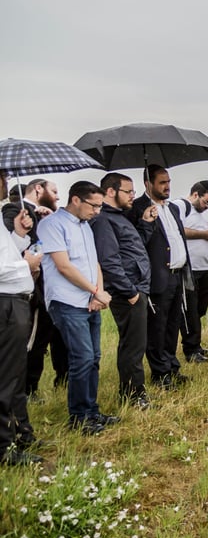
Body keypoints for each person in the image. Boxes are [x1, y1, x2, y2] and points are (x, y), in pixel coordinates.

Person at [38, 181, 119, 434]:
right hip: (67, 301)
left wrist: (99, 292)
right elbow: (64, 266)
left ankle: (92, 411)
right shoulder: (52, 225)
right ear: (75, 200)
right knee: (81, 357)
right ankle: (79, 417)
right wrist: (94, 291)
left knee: (94, 357)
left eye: (100, 206)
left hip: (90, 300)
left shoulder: (86, 227)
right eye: (93, 205)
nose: (97, 211)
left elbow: (94, 263)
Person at [2, 178, 68, 400]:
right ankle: (28, 390)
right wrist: (36, 224)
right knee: (33, 343)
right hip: (29, 290)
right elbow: (14, 250)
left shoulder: (47, 215)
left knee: (49, 339)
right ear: (39, 189)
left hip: (50, 288)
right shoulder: (14, 208)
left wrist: (49, 220)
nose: (58, 196)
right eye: (55, 190)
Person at [92, 173, 153, 410]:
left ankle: (133, 392)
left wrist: (146, 224)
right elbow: (109, 261)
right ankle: (133, 395)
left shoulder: (120, 217)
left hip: (136, 287)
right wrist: (130, 292)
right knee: (132, 346)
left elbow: (133, 249)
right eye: (128, 191)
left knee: (136, 343)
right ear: (110, 192)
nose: (133, 196)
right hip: (127, 292)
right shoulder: (104, 220)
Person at [130, 165, 191, 391]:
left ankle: (172, 365)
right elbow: (135, 244)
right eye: (162, 182)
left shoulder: (173, 208)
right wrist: (145, 221)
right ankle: (160, 373)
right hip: (156, 278)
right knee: (157, 327)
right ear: (148, 184)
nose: (167, 186)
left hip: (177, 275)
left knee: (172, 325)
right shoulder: (138, 208)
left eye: (168, 181)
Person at [0, 173, 45, 464]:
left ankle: (21, 433)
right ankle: (3, 449)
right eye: (0, 176)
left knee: (15, 373)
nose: (4, 180)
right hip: (5, 303)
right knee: (5, 377)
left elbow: (7, 255)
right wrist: (26, 266)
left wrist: (18, 233)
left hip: (16, 302)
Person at [173, 181, 208, 363]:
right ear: (195, 195)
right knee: (190, 311)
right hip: (189, 268)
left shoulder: (201, 215)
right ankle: (191, 349)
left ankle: (197, 345)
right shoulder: (180, 206)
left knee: (200, 309)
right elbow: (177, 230)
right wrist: (204, 234)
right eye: (206, 202)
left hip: (205, 267)